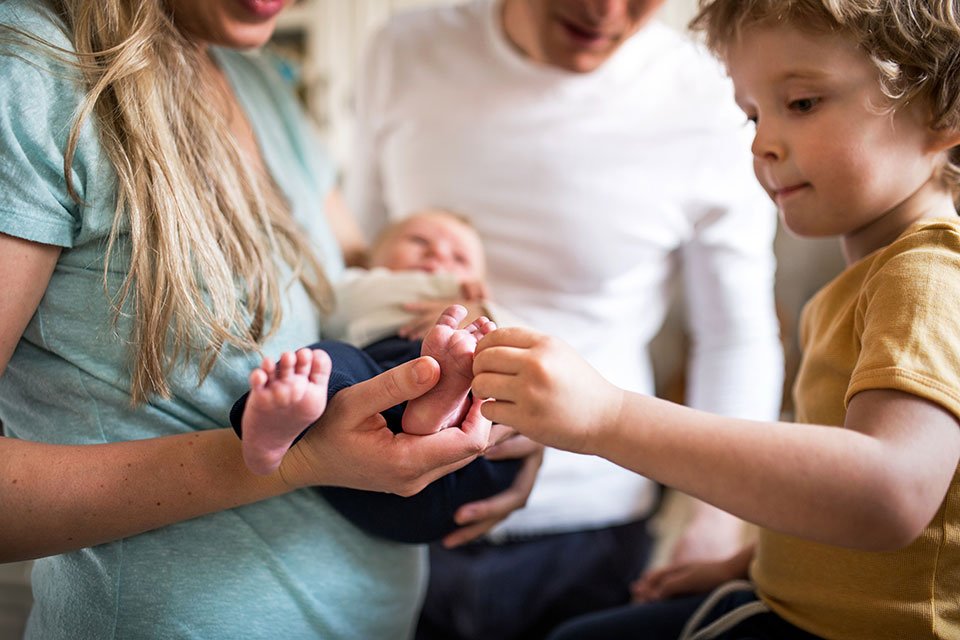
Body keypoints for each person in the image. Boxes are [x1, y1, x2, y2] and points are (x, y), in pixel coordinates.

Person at [0, 1, 526, 637]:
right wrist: (299, 462)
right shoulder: (29, 68)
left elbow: (367, 283)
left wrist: (502, 424)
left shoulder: (262, 82)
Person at [472, 0, 960, 637]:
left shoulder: (926, 275)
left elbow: (889, 494)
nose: (762, 142)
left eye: (803, 103)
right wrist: (753, 561)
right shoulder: (872, 279)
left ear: (941, 110)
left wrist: (608, 417)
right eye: (752, 114)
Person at [346, 0, 784, 637]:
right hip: (400, 506)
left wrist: (714, 522)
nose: (606, 11)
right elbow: (364, 257)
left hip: (590, 526)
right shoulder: (406, 49)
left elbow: (734, 335)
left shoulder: (710, 94)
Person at [231, 210, 524, 544]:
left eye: (459, 257)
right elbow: (341, 301)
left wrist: (485, 310)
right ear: (371, 260)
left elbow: (535, 348)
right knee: (326, 362)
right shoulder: (360, 287)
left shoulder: (483, 311)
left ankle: (442, 403)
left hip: (466, 467)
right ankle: (277, 429)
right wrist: (451, 289)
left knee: (483, 373)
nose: (438, 254)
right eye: (419, 241)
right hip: (364, 446)